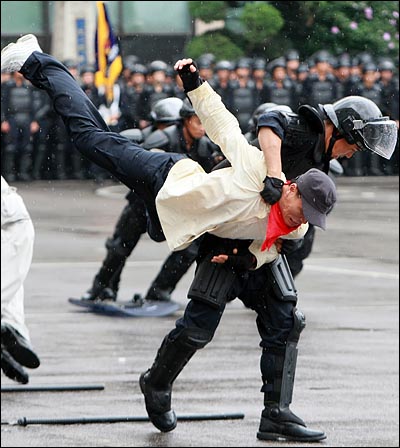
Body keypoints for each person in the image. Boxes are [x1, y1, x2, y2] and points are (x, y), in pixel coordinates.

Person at [137, 57, 397, 443]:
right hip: (229, 238)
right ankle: (156, 383)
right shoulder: (304, 132)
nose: (351, 154)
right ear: (339, 131)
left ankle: (276, 413)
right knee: (198, 328)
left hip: (263, 247)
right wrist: (274, 174)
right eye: (353, 146)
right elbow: (271, 118)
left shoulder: (320, 159)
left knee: (286, 320)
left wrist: (259, 256)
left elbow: (297, 227)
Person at [1, 176, 40, 384]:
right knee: (11, 273)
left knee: (11, 278)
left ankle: (10, 328)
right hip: (10, 217)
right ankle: (11, 328)